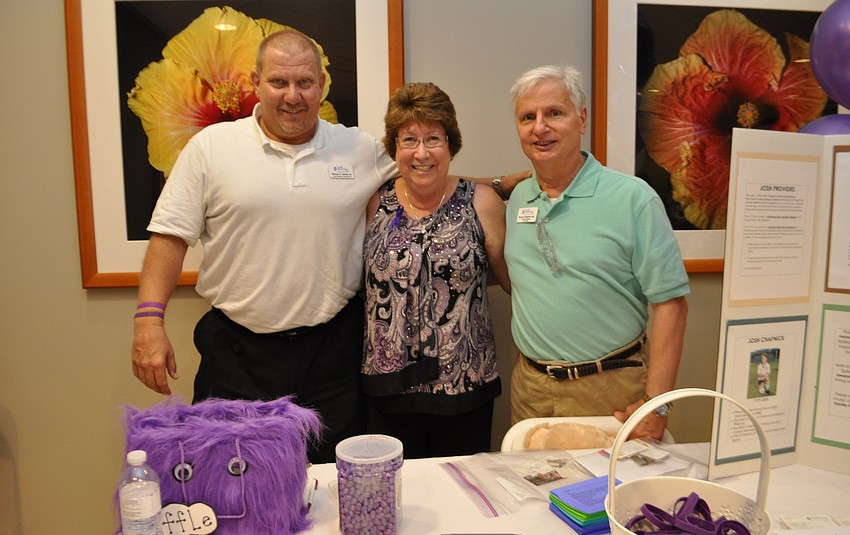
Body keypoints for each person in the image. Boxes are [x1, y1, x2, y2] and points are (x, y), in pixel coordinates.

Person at [130, 29, 525, 463]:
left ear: (321, 85)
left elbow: (428, 172)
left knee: (337, 486)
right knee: (236, 478)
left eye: (304, 83)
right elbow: (169, 237)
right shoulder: (210, 148)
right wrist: (149, 322)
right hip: (238, 352)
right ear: (255, 82)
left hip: (333, 354)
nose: (292, 96)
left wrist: (507, 184)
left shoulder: (355, 148)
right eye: (279, 82)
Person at [503, 65, 690, 440]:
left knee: (608, 498)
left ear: (582, 119)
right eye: (528, 117)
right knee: (531, 498)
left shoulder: (632, 199)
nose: (540, 127)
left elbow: (672, 304)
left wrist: (658, 403)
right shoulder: (519, 197)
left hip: (611, 390)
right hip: (531, 389)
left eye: (555, 113)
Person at [360, 83, 511, 458]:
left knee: (465, 498)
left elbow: (511, 279)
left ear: (451, 145)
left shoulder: (482, 202)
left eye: (433, 139)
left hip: (464, 384)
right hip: (387, 386)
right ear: (394, 146)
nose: (421, 152)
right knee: (399, 495)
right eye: (409, 139)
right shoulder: (375, 201)